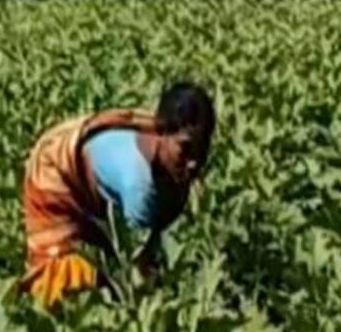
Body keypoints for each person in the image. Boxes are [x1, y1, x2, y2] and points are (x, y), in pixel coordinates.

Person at [19, 81, 215, 308]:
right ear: (161, 132)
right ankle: (47, 313)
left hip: (90, 168)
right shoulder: (139, 186)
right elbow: (137, 267)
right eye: (186, 148)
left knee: (104, 257)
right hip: (57, 170)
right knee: (66, 274)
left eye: (203, 149)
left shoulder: (167, 154)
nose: (194, 162)